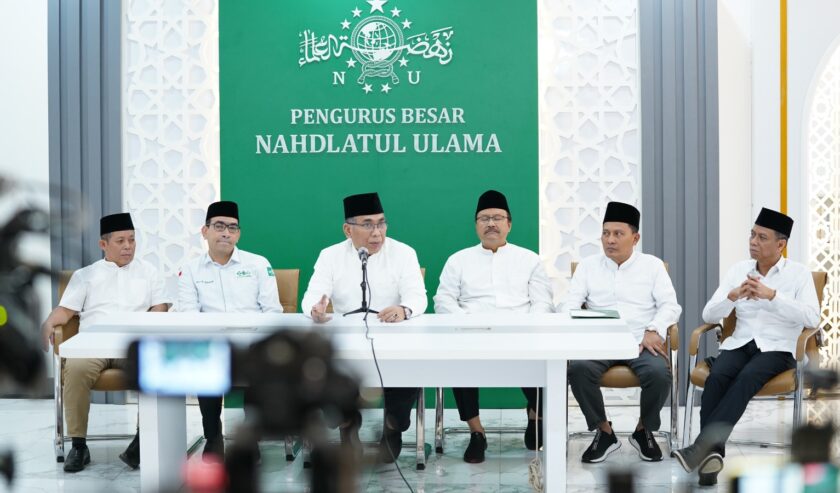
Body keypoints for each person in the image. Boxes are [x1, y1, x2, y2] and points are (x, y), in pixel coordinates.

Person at [673, 208, 820, 486]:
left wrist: (772, 296)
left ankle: (701, 449)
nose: (753, 241)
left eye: (761, 237)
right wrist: (732, 296)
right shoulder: (738, 270)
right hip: (740, 343)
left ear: (780, 244)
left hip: (778, 348)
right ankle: (710, 459)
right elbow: (709, 315)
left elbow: (812, 318)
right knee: (716, 379)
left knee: (746, 379)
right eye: (752, 234)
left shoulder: (799, 275)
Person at [301, 192, 427, 463]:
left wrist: (403, 310)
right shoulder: (330, 255)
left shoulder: (404, 253)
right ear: (348, 229)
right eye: (367, 224)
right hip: (347, 338)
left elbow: (419, 297)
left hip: (393, 336)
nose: (377, 232)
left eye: (381, 223)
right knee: (323, 364)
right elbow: (312, 296)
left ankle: (393, 428)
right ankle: (348, 429)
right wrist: (316, 309)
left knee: (410, 364)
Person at [40, 212, 170, 472]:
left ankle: (142, 442)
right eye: (120, 241)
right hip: (93, 344)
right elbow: (65, 311)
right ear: (103, 245)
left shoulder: (149, 271)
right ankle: (78, 445)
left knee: (150, 365)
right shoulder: (85, 275)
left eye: (132, 240)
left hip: (131, 344)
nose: (128, 246)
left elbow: (160, 307)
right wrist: (48, 323)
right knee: (75, 369)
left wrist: (150, 324)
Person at [433, 190, 553, 463]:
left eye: (498, 218)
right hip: (472, 336)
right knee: (458, 359)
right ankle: (477, 433)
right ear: (476, 225)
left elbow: (543, 301)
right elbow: (443, 299)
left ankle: (536, 414)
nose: (491, 224)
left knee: (549, 357)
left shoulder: (529, 259)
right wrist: (467, 325)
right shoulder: (458, 260)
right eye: (484, 218)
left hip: (521, 335)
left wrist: (528, 329)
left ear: (509, 224)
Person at [561, 201, 681, 463]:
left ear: (635, 238)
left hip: (640, 341)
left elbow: (670, 306)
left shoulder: (652, 266)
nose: (610, 240)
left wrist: (654, 330)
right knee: (578, 370)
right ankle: (604, 431)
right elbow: (568, 305)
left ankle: (643, 430)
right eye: (606, 233)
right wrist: (578, 320)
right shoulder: (588, 266)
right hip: (599, 342)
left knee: (660, 373)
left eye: (618, 234)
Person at [178, 200, 282, 459]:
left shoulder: (258, 264)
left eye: (232, 228)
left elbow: (273, 311)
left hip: (252, 343)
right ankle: (213, 436)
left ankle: (251, 438)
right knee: (205, 362)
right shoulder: (191, 269)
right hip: (211, 344)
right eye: (219, 226)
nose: (226, 233)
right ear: (205, 231)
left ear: (239, 233)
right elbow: (189, 314)